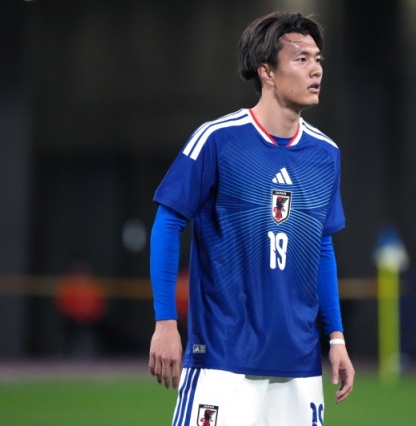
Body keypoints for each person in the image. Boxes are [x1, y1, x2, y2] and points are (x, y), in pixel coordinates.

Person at [148, 11, 355, 426]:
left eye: (318, 59)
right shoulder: (218, 139)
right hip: (223, 361)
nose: (316, 69)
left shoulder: (326, 154)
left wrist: (336, 337)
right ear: (267, 72)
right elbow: (168, 223)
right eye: (301, 59)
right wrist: (166, 322)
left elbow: (322, 247)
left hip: (299, 365)